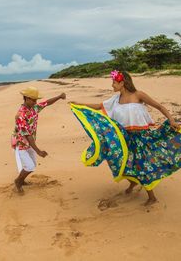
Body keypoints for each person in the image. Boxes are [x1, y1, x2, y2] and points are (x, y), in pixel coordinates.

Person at [70, 70, 180, 206]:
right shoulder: (115, 99)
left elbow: (159, 106)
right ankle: (133, 183)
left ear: (122, 83)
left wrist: (171, 120)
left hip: (142, 138)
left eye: (114, 82)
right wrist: (79, 105)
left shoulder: (138, 95)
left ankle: (152, 197)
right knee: (123, 163)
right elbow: (99, 106)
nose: (112, 85)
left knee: (142, 166)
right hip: (125, 138)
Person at [12, 86, 66, 194]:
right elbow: (27, 135)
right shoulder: (20, 115)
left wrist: (59, 97)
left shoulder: (34, 108)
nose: (35, 102)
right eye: (33, 99)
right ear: (26, 98)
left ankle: (22, 181)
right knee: (29, 166)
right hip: (21, 143)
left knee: (32, 165)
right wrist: (39, 151)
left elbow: (46, 103)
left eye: (36, 99)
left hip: (31, 143)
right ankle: (18, 181)